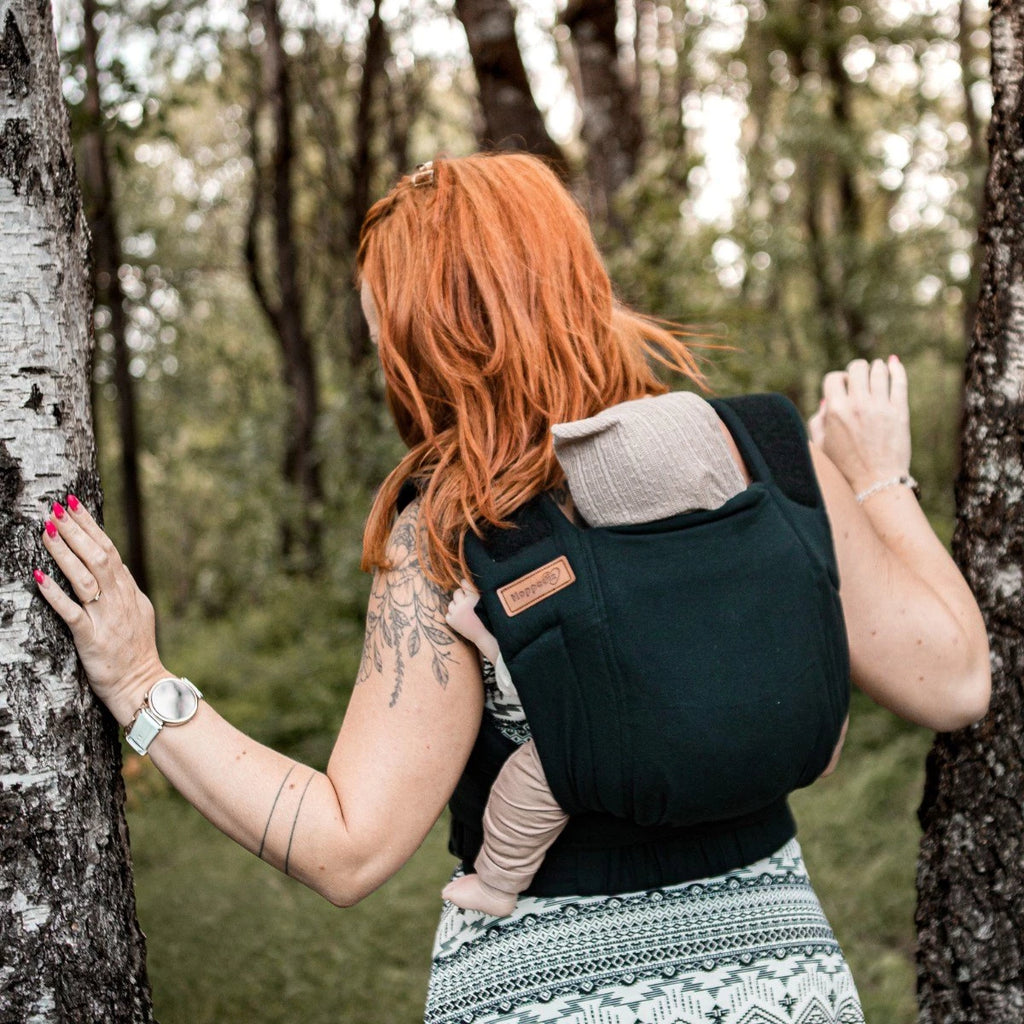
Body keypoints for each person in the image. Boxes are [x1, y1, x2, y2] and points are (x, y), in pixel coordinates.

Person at [33, 153, 990, 1024]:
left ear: (429, 342)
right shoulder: (763, 453)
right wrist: (878, 478)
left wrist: (139, 684)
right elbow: (955, 683)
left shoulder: (451, 532)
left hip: (547, 995)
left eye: (384, 331)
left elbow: (346, 845)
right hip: (787, 989)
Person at [440, 390, 848, 917]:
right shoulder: (777, 539)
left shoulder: (592, 580)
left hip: (634, 754)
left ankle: (495, 885)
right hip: (793, 738)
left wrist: (480, 632)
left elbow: (545, 679)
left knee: (543, 772)